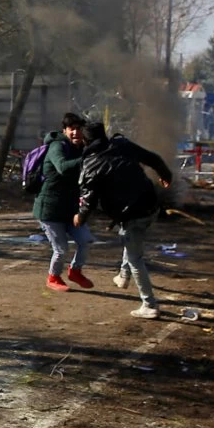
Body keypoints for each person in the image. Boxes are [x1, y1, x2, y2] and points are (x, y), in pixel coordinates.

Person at [75, 123, 172, 318]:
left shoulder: (91, 164)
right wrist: (165, 175)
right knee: (129, 238)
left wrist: (80, 216)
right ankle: (123, 275)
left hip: (132, 214)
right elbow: (153, 158)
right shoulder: (122, 145)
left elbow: (88, 199)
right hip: (151, 205)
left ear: (86, 141)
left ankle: (149, 304)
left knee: (135, 257)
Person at [34, 112, 93, 292]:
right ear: (65, 130)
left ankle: (75, 271)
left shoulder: (81, 148)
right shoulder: (57, 147)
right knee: (61, 249)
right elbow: (62, 167)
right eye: (72, 129)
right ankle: (53, 277)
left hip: (70, 209)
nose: (76, 133)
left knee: (85, 240)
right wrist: (87, 158)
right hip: (50, 209)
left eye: (79, 129)